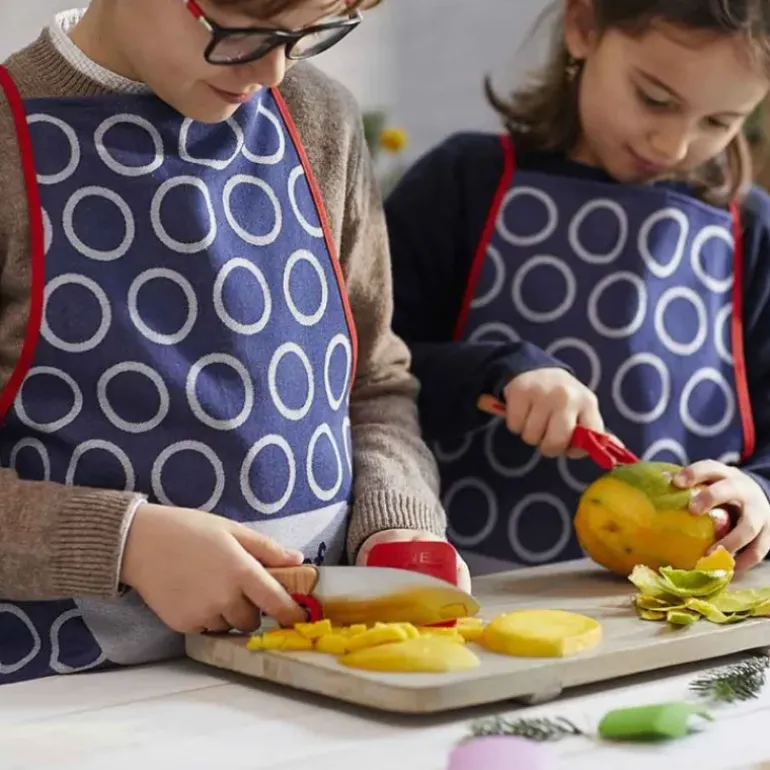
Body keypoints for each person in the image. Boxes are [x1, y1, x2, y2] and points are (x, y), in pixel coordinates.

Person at [0, 0, 468, 685]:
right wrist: (125, 542)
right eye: (240, 27)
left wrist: (397, 519)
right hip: (70, 695)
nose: (271, 68)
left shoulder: (321, 123)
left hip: (319, 675)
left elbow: (373, 384)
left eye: (305, 34)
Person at [386, 0, 770, 577]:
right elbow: (366, 373)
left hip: (674, 610)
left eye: (719, 122)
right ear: (584, 27)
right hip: (470, 587)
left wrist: (759, 491)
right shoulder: (461, 184)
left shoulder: (753, 233)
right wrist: (501, 371)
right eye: (655, 99)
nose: (673, 145)